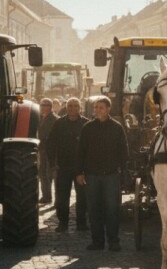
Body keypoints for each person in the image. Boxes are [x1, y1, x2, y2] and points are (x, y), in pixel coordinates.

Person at [75, 96, 128, 251]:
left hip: (111, 176)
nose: (97, 110)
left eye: (101, 108)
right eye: (96, 108)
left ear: (108, 109)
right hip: (92, 176)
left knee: (112, 209)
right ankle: (97, 241)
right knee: (93, 209)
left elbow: (124, 151)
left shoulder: (117, 128)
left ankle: (113, 241)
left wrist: (121, 170)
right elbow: (80, 152)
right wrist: (79, 172)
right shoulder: (87, 128)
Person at [47, 97, 88, 232]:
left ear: (80, 108)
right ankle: (63, 223)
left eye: (76, 106)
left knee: (82, 197)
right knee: (62, 197)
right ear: (66, 107)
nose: (73, 108)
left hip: (81, 168)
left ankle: (81, 223)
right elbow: (51, 143)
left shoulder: (86, 124)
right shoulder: (59, 123)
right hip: (63, 166)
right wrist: (53, 163)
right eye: (70, 105)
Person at [37, 98, 59, 204]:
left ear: (50, 107)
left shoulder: (55, 119)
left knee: (50, 174)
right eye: (42, 105)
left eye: (46, 105)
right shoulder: (40, 117)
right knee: (42, 173)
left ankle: (54, 198)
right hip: (42, 150)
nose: (43, 107)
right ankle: (46, 196)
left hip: (51, 151)